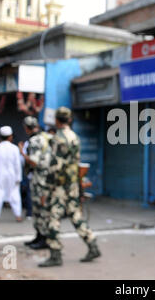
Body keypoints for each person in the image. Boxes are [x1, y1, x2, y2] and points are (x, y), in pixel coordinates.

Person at [39, 107, 101, 267]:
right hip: (72, 184)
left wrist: (45, 190)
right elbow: (76, 162)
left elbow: (54, 167)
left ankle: (55, 254)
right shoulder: (75, 137)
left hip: (59, 186)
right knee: (76, 216)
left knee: (52, 218)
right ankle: (92, 244)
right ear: (70, 120)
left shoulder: (57, 139)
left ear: (57, 121)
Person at [19, 116, 52, 250]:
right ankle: (39, 236)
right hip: (47, 177)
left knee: (39, 209)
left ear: (26, 128)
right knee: (40, 209)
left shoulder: (34, 141)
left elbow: (34, 161)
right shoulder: (46, 137)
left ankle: (43, 239)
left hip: (39, 178)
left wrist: (22, 152)